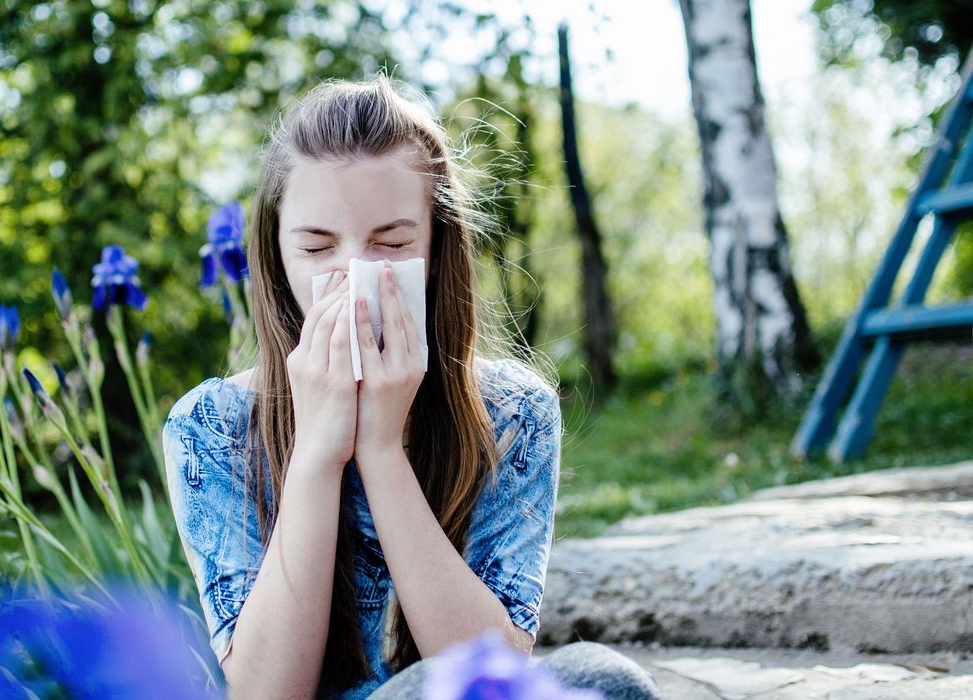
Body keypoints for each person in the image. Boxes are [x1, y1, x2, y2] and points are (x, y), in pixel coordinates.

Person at [162, 75, 660, 699]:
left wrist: (381, 448)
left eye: (391, 243)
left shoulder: (513, 413)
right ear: (275, 252)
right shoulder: (214, 425)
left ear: (435, 247)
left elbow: (493, 674)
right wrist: (318, 450)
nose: (354, 274)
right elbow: (266, 692)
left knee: (606, 681)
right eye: (317, 247)